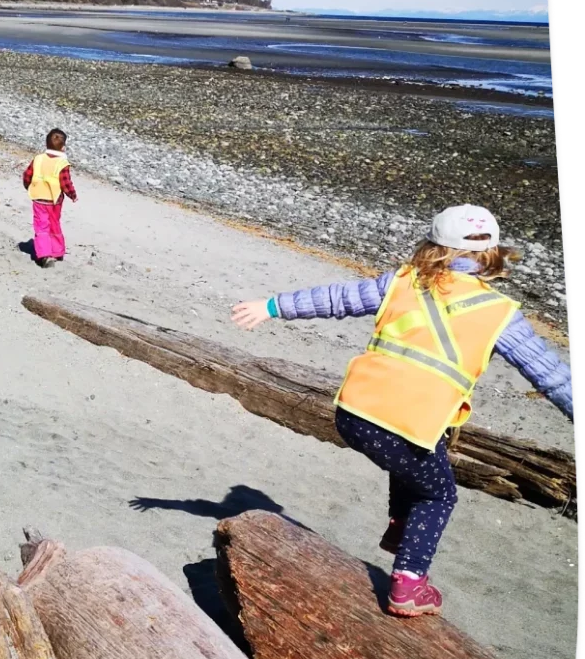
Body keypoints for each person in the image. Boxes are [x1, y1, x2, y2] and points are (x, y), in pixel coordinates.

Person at [231, 205, 574, 618]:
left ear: (432, 247)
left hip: (354, 413)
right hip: (409, 424)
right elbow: (551, 376)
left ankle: (400, 527)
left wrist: (272, 306)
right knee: (438, 494)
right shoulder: (500, 314)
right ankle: (409, 584)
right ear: (494, 254)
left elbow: (336, 298)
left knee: (416, 462)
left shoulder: (402, 282)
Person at [23, 128, 77, 268]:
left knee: (41, 226)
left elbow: (27, 175)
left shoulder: (38, 159)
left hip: (39, 198)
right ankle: (56, 251)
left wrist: (27, 185)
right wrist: (73, 195)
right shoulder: (61, 163)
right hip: (54, 200)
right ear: (63, 148)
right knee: (54, 224)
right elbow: (65, 183)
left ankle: (45, 254)